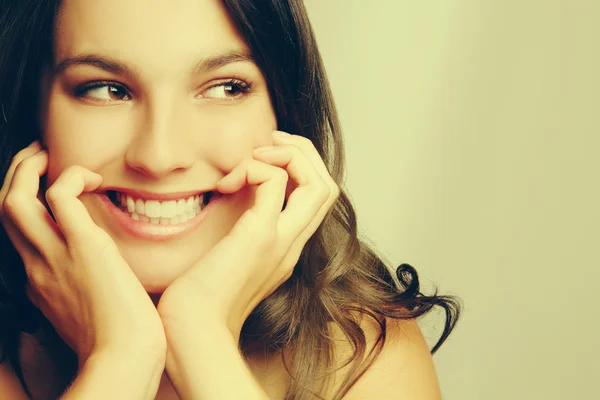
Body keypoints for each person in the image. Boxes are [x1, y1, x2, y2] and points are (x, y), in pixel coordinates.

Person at [0, 0, 462, 399]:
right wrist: (119, 359)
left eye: (225, 88)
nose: (160, 157)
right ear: (31, 112)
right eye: (106, 89)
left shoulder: (359, 352)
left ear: (284, 113)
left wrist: (201, 343)